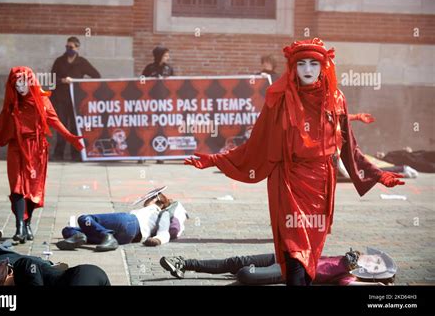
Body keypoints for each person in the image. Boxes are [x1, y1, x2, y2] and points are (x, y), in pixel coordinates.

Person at [184, 38, 405, 286]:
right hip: (288, 180)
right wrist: (216, 159)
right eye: (301, 64)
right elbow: (257, 143)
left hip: (320, 186)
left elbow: (349, 147)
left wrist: (379, 175)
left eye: (314, 63)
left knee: (309, 250)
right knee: (294, 248)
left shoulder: (336, 99)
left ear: (324, 66)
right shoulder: (279, 99)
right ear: (293, 67)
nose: (308, 69)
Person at [0, 67, 84, 244]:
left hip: (37, 150)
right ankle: (19, 227)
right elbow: (1, 124)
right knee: (17, 187)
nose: (20, 87)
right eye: (16, 84)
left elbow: (54, 120)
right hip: (16, 148)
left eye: (23, 83)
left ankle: (27, 223)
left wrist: (71, 137)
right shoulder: (12, 103)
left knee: (33, 190)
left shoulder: (42, 100)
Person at [160, 247, 397, 286]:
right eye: (375, 258)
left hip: (288, 271)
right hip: (285, 255)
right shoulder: (347, 257)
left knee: (244, 274)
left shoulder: (347, 277)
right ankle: (185, 264)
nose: (370, 260)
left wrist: (379, 283)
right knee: (236, 261)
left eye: (376, 265)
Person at [57, 192, 188, 252]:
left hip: (130, 221)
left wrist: (159, 239)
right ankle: (87, 236)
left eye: (152, 197)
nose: (147, 199)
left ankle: (105, 235)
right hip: (129, 237)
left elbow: (167, 230)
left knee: (84, 219)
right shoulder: (155, 214)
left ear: (159, 202)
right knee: (67, 230)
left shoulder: (155, 209)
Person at [51, 36, 101, 161]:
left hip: (76, 101)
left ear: (77, 48)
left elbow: (97, 76)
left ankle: (76, 154)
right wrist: (62, 80)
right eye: (67, 47)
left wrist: (81, 85)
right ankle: (58, 154)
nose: (68, 49)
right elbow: (50, 80)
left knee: (75, 128)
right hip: (61, 100)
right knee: (61, 127)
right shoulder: (59, 61)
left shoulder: (82, 62)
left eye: (71, 47)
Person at [0, 256, 110, 286]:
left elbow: (34, 279)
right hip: (91, 274)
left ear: (10, 272)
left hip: (79, 276)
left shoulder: (23, 265)